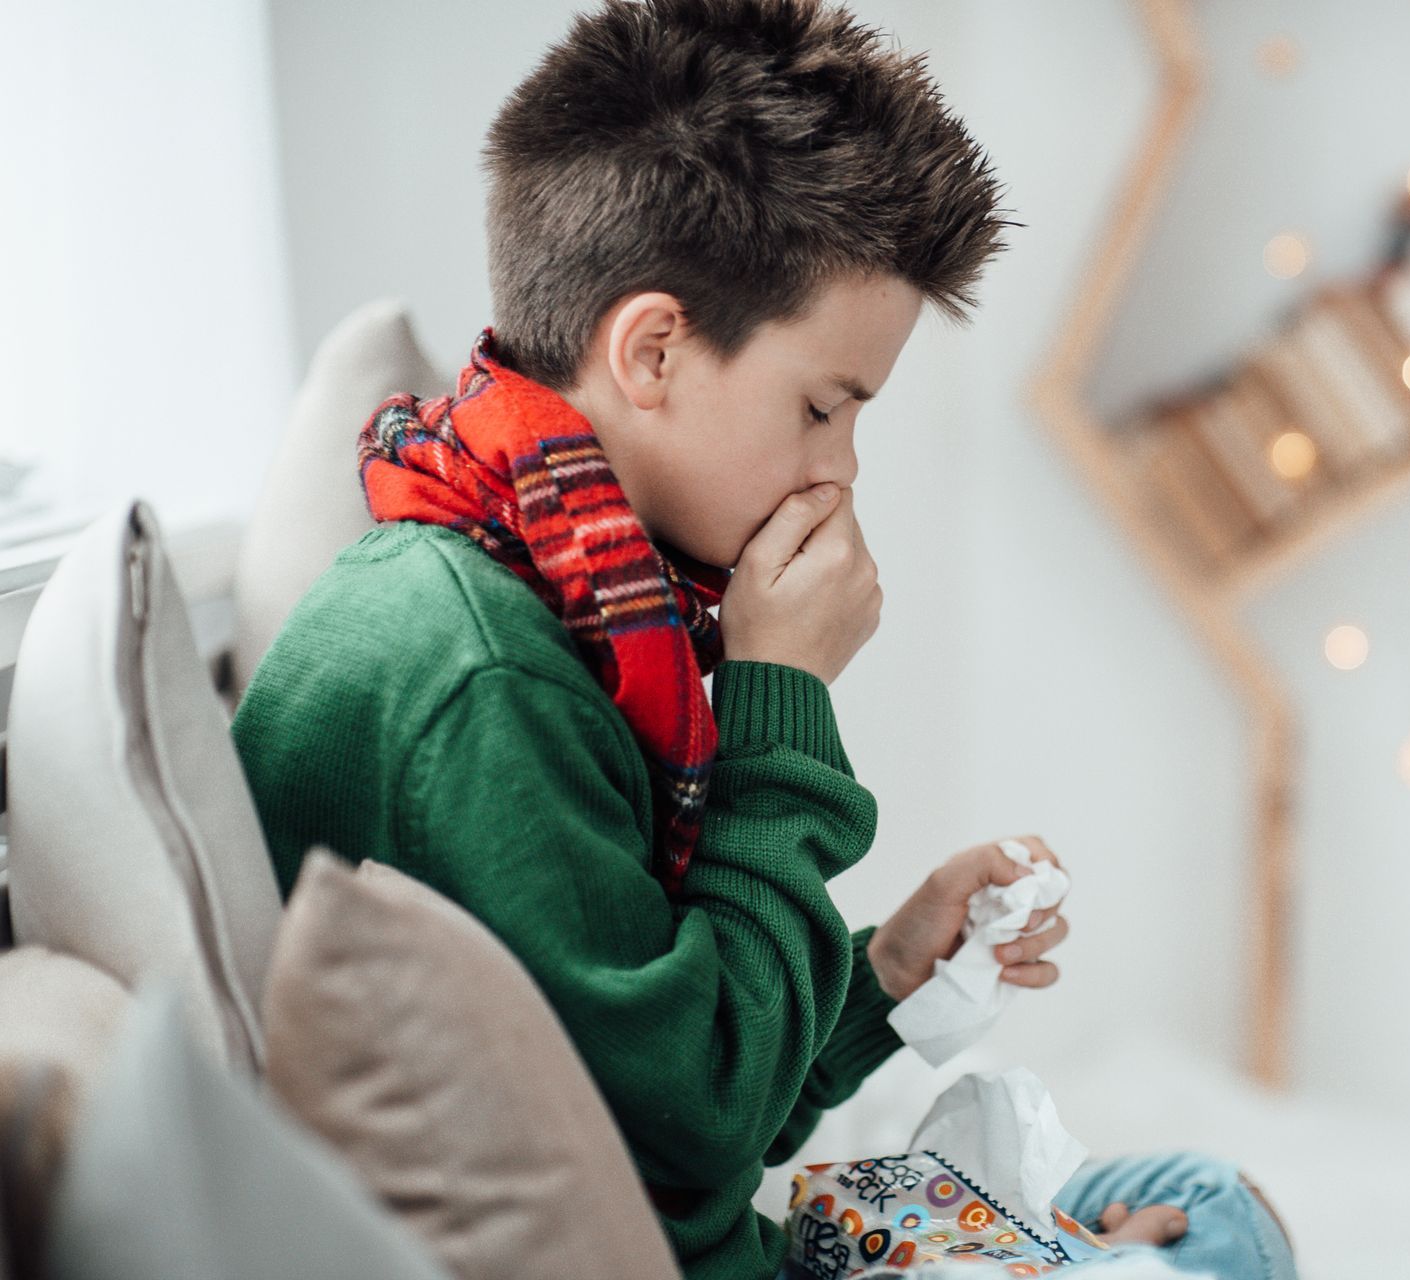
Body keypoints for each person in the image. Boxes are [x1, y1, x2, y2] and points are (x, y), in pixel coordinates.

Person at [230, 3, 1295, 1279]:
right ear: (656, 349)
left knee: (1193, 1190)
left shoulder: (543, 588)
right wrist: (782, 694)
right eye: (822, 406)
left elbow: (666, 1068)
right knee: (1219, 1236)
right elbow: (698, 1134)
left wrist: (890, 972)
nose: (840, 473)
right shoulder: (486, 681)